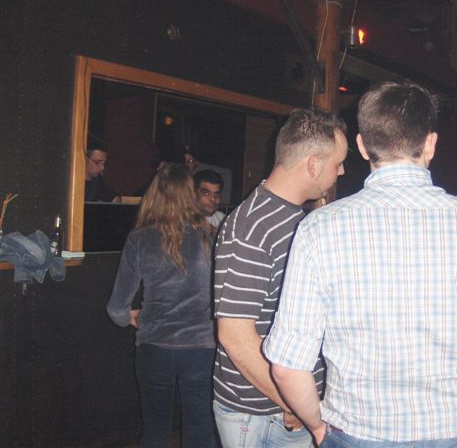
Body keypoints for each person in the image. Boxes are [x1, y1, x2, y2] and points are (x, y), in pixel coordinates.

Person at [263, 81, 457, 448]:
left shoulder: (319, 230)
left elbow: (287, 366)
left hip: (356, 434)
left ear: (361, 146)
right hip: (455, 434)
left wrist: (319, 428)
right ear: (430, 144)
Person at [213, 107, 348, 448]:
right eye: (338, 163)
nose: (341, 171)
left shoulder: (295, 218)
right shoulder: (253, 226)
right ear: (313, 164)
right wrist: (295, 403)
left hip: (286, 407)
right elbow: (235, 336)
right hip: (259, 412)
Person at [106, 164, 218, 448]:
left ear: (154, 195)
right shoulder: (211, 236)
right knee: (200, 428)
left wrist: (129, 317)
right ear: (190, 196)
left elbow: (116, 309)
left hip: (154, 346)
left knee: (155, 430)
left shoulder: (140, 238)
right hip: (201, 348)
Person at [84, 138, 121, 202]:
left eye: (104, 163)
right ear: (85, 159)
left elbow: (114, 197)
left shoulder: (98, 180)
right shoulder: (73, 181)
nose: (103, 168)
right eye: (98, 162)